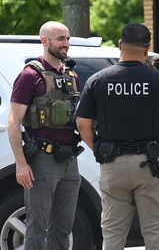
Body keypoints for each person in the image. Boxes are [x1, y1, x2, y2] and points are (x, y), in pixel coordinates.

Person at [75, 22, 159, 250]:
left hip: (112, 164)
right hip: (150, 165)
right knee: (155, 235)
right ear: (147, 49)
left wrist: (97, 147)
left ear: (119, 45)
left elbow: (83, 124)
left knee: (113, 236)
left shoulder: (97, 80)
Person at [7, 21, 81, 250]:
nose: (65, 44)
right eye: (60, 39)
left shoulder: (72, 76)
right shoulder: (29, 75)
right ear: (44, 40)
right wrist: (21, 164)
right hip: (42, 160)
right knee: (37, 229)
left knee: (63, 229)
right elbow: (13, 122)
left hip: (69, 161)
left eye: (67, 38)